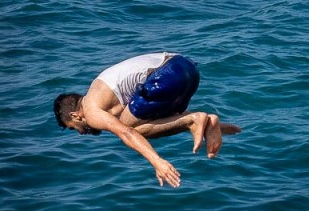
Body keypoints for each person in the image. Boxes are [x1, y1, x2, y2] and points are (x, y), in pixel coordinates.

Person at [53, 52, 242, 187]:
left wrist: (156, 161)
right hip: (187, 68)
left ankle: (193, 121)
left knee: (130, 127)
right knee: (143, 121)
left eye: (74, 128)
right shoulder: (102, 94)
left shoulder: (91, 111)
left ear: (75, 115)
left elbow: (127, 133)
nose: (80, 132)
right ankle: (207, 123)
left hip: (166, 76)